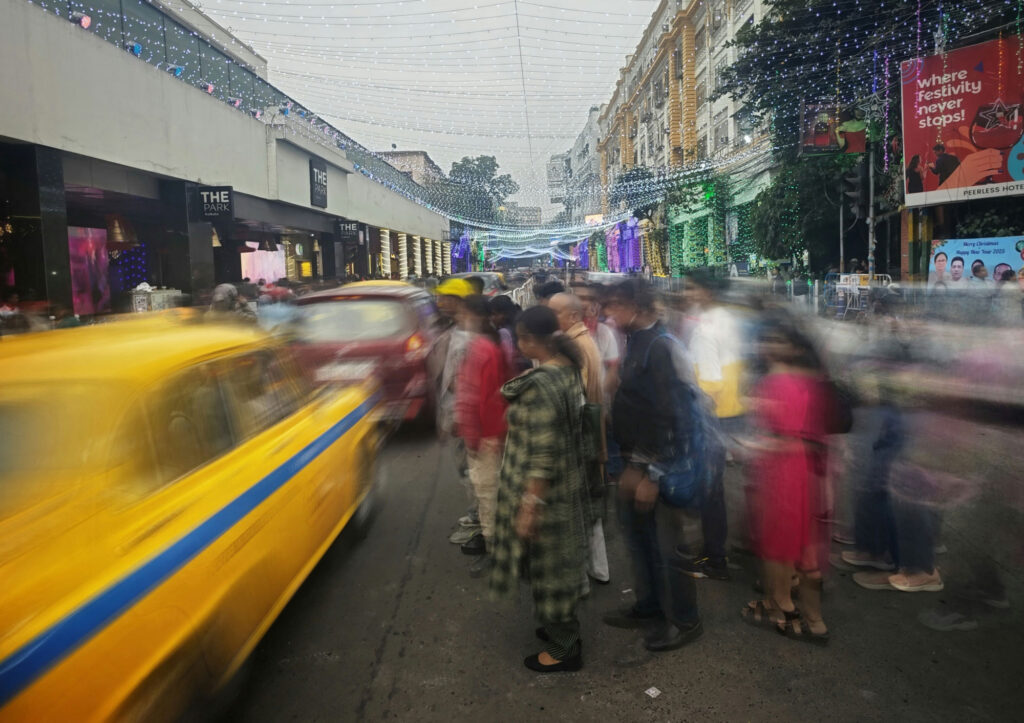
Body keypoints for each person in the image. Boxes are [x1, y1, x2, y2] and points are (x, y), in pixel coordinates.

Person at [601, 280, 703, 655]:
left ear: (636, 306)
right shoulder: (637, 340)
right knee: (639, 543)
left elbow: (670, 417)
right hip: (633, 461)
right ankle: (648, 607)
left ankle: (683, 619)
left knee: (667, 549)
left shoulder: (660, 347)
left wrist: (650, 474)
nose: (609, 315)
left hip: (656, 467)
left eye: (614, 306)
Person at [489, 306, 592, 673]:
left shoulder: (541, 385)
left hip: (548, 493)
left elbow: (543, 451)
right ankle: (559, 631)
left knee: (552, 571)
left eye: (520, 338)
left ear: (531, 341)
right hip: (566, 484)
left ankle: (566, 648)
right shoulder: (565, 369)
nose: (517, 344)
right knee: (553, 565)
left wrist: (531, 504)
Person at [740, 315, 831, 644]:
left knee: (781, 543)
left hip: (783, 471)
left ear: (792, 347)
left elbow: (787, 435)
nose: (766, 347)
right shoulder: (804, 380)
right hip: (799, 469)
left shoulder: (780, 384)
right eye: (765, 340)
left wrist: (756, 445)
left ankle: (785, 607)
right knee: (792, 542)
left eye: (776, 342)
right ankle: (800, 613)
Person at [678, 270, 743, 580]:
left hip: (711, 416)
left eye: (692, 288)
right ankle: (717, 550)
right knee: (715, 489)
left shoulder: (705, 330)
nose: (687, 293)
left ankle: (714, 557)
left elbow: (710, 384)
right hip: (732, 412)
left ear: (706, 291)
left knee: (710, 491)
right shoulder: (727, 318)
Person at [549, 292, 610, 584]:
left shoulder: (575, 346)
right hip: (590, 436)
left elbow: (576, 398)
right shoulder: (582, 340)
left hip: (581, 438)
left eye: (555, 313)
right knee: (589, 508)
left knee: (579, 508)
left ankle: (583, 578)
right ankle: (597, 569)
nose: (551, 320)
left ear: (573, 316)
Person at [455, 296, 513, 573]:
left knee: (488, 494)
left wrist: (477, 437)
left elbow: (487, 398)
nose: (458, 318)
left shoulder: (483, 349)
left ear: (474, 316)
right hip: (486, 433)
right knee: (488, 493)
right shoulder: (485, 346)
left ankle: (496, 552)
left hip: (486, 435)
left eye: (462, 312)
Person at [426, 278, 478, 545]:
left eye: (446, 297)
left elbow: (467, 380)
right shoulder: (454, 329)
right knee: (465, 468)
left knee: (471, 470)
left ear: (460, 301)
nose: (440, 302)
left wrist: (460, 415)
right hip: (453, 409)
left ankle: (479, 521)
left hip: (464, 413)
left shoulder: (469, 333)